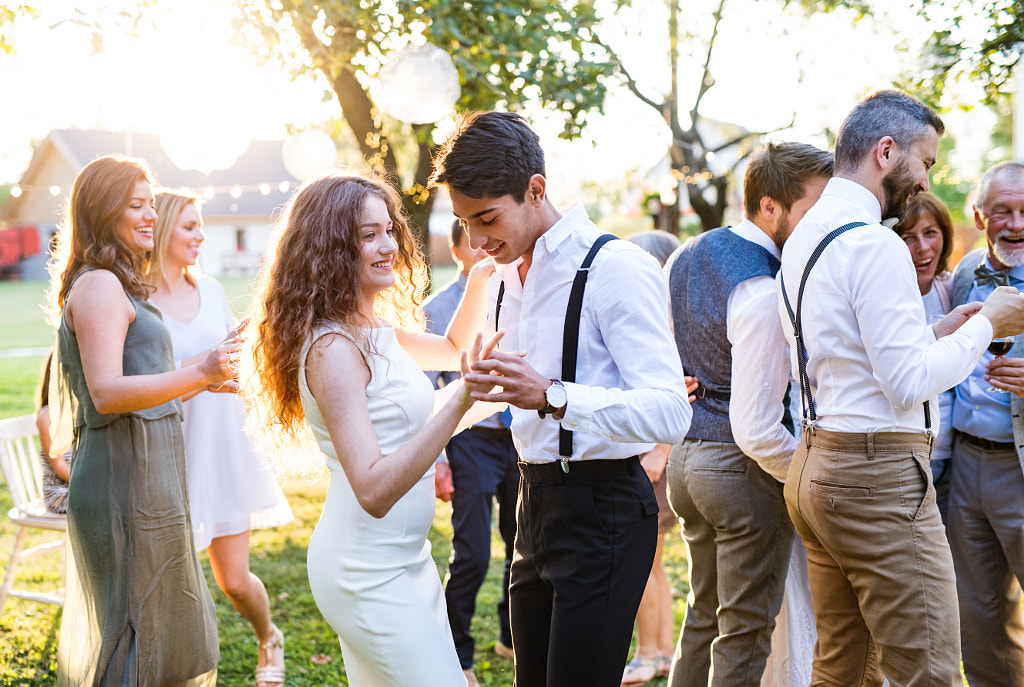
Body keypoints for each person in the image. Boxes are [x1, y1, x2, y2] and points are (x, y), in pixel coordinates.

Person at [429, 111, 693, 687]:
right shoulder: (500, 275)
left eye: (486, 218)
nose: (475, 241)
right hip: (533, 501)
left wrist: (553, 395)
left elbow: (673, 410)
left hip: (605, 507)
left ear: (536, 190)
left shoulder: (615, 267)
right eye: (462, 223)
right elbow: (493, 392)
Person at [777, 89, 1024, 686]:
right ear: (886, 152)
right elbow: (907, 381)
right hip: (876, 481)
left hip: (815, 466)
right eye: (926, 162)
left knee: (842, 665)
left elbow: (852, 351)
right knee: (930, 669)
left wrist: (939, 329)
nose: (925, 181)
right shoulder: (874, 242)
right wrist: (989, 324)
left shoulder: (807, 235)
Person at [243, 171, 501, 687]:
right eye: (368, 235)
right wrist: (461, 403)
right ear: (330, 249)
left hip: (409, 561)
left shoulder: (373, 329)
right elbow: (373, 489)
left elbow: (452, 350)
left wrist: (478, 280)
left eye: (389, 230)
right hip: (364, 572)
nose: (388, 246)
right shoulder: (333, 350)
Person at [47, 154, 237, 686]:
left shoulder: (121, 283)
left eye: (152, 203)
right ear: (104, 211)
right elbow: (106, 393)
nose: (152, 215)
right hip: (121, 479)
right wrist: (198, 368)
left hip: (151, 474)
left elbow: (144, 377)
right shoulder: (100, 286)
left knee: (157, 620)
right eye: (137, 205)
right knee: (131, 627)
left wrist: (206, 378)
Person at [663, 141, 832, 687]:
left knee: (704, 616)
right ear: (769, 207)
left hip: (687, 462)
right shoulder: (762, 286)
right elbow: (757, 427)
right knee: (746, 630)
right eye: (812, 212)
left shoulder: (689, 253)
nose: (819, 226)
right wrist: (807, 474)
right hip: (739, 471)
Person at [148, 189, 294, 687]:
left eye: (200, 225)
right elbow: (146, 381)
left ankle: (268, 635)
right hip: (168, 452)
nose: (200, 235)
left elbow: (233, 357)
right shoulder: (134, 299)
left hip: (223, 446)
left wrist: (249, 346)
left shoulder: (209, 288)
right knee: (171, 583)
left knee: (233, 580)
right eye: (189, 226)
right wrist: (202, 367)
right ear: (163, 228)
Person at [424, 219, 519, 687]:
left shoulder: (516, 291)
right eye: (475, 243)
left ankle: (510, 634)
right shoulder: (438, 308)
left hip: (519, 436)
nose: (486, 248)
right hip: (471, 442)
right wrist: (439, 462)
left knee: (523, 546)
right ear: (458, 250)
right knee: (474, 552)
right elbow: (425, 393)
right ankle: (457, 653)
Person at [946, 160, 1024, 686]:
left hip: (1021, 466)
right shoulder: (967, 273)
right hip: (967, 465)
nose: (1016, 223)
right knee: (978, 614)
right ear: (979, 216)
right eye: (1002, 211)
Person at [620, 229, 684, 686]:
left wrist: (657, 456)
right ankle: (659, 651)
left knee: (640, 561)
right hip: (650, 459)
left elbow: (681, 394)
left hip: (652, 462)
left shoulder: (671, 328)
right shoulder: (657, 321)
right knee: (652, 562)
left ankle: (648, 653)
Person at [892, 192, 956, 525]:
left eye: (930, 233)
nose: (922, 247)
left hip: (952, 462)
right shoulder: (886, 295)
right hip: (902, 464)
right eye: (908, 237)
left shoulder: (952, 288)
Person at [35, 350, 72, 514]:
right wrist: (92, 483)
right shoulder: (48, 415)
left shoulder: (81, 411)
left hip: (81, 487)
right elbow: (60, 467)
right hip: (60, 492)